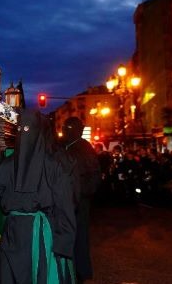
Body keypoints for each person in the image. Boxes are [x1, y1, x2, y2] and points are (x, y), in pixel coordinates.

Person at [0, 108, 78, 283]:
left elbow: (65, 207)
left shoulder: (53, 166)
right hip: (12, 235)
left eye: (28, 129)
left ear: (38, 132)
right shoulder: (9, 165)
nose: (23, 133)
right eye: (19, 129)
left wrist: (62, 245)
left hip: (40, 236)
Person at [59, 117, 101, 284]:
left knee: (80, 237)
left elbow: (94, 177)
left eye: (69, 128)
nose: (66, 131)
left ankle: (80, 272)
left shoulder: (84, 148)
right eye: (65, 128)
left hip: (79, 202)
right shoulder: (64, 145)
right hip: (65, 201)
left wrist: (79, 193)